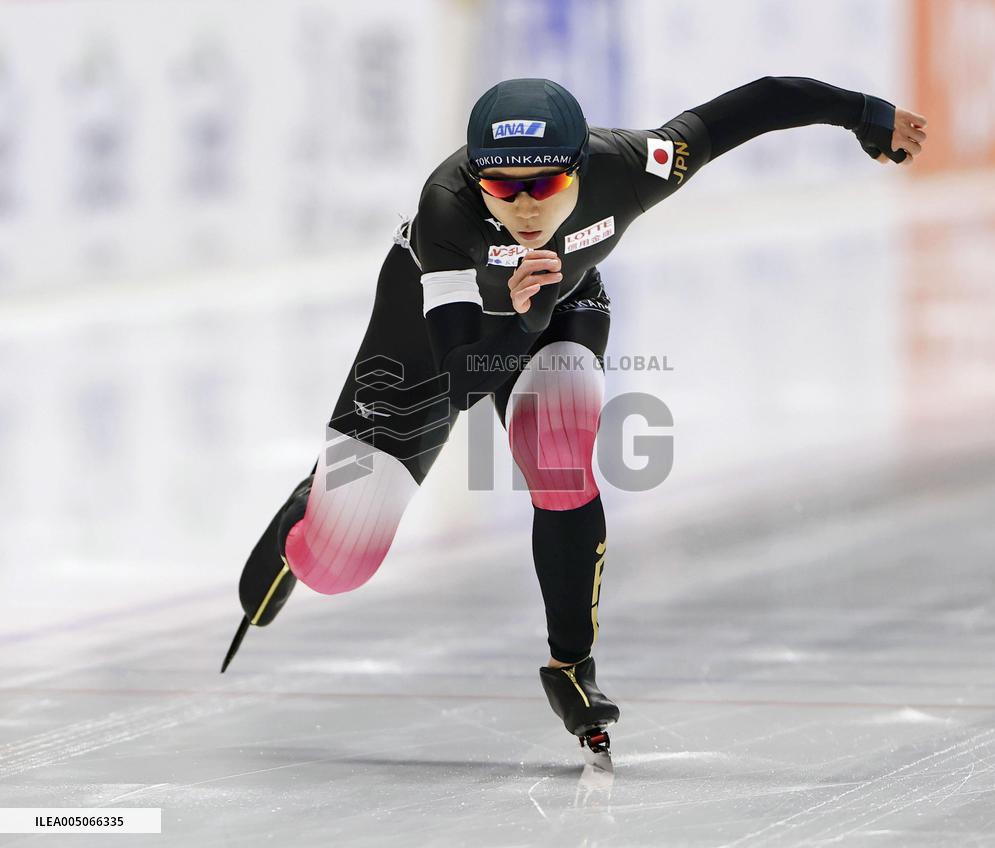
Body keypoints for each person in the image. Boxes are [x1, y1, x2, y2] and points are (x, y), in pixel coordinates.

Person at [222, 76, 928, 754]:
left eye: (547, 185)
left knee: (559, 449)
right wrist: (521, 322)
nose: (526, 207)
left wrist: (865, 113)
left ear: (580, 167)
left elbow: (760, 102)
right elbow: (464, 379)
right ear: (477, 179)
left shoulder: (632, 165)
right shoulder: (447, 210)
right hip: (440, 335)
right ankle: (305, 515)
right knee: (339, 564)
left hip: (560, 307)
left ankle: (572, 666)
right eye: (504, 187)